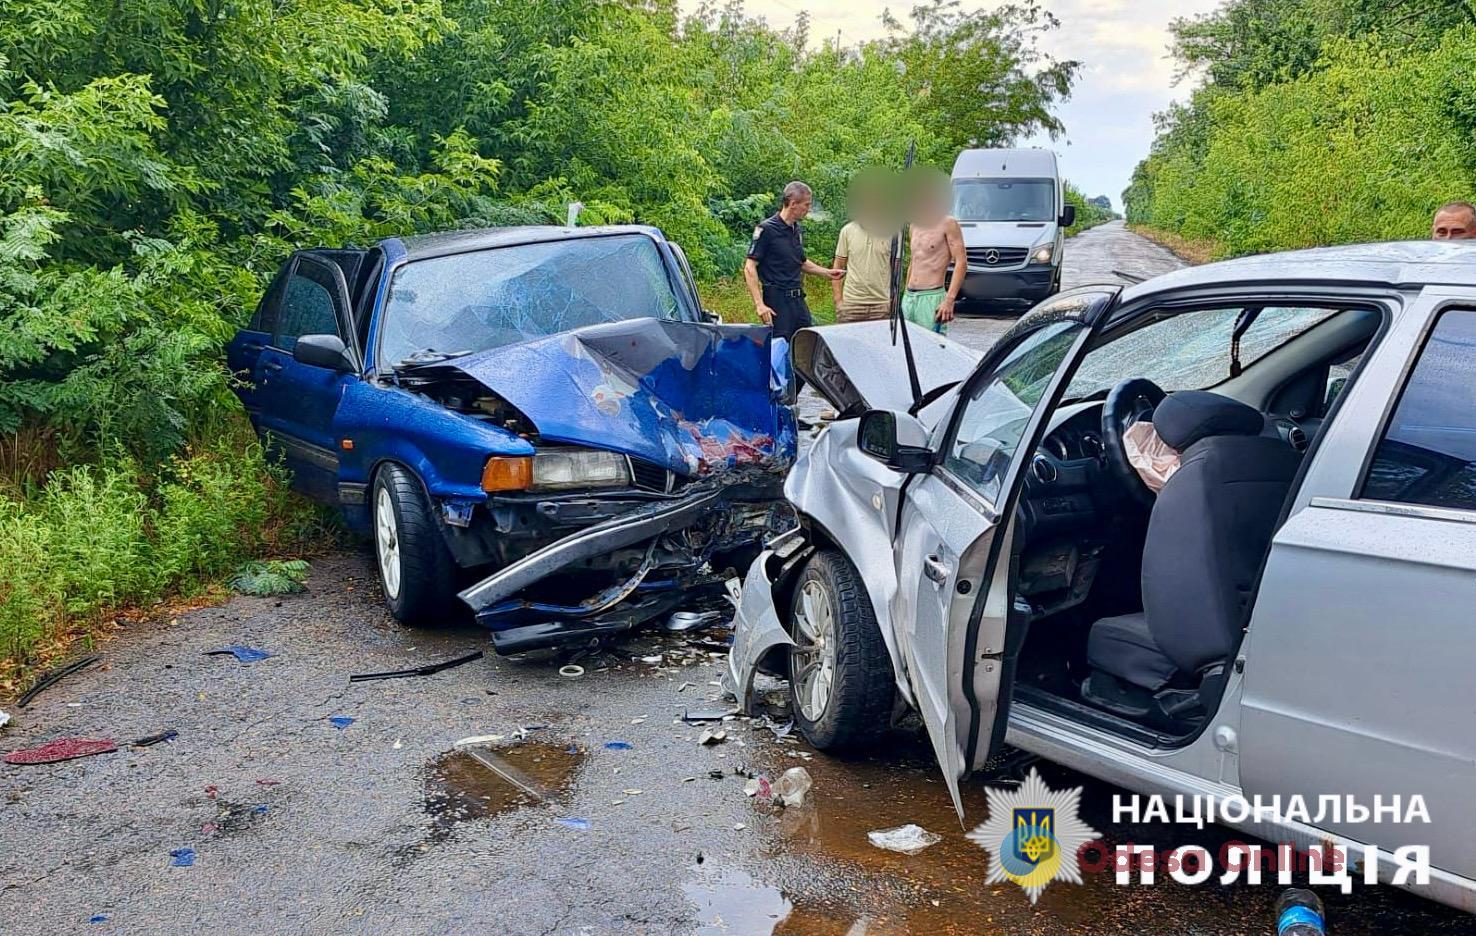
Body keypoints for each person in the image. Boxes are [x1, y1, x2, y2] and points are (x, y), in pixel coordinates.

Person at [744, 181, 843, 340]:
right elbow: (749, 267)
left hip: (797, 300)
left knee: (807, 343)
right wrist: (759, 305)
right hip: (777, 302)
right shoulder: (766, 229)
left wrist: (828, 273)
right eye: (806, 205)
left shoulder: (796, 230)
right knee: (780, 348)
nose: (808, 210)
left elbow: (801, 262)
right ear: (792, 204)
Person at [902, 167, 966, 334]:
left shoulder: (948, 223)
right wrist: (904, 295)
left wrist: (949, 300)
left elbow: (961, 262)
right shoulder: (914, 224)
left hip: (931, 296)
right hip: (909, 297)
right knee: (906, 347)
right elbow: (913, 262)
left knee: (931, 349)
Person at [832, 169, 898, 323]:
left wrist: (894, 298)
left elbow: (896, 268)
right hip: (851, 304)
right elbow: (838, 267)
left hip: (881, 304)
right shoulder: (847, 231)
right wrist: (838, 300)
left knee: (878, 346)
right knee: (848, 346)